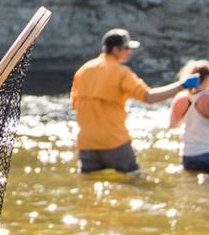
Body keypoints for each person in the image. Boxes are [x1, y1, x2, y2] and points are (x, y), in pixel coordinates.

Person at [70, 28, 193, 175]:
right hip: (115, 142)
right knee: (135, 182)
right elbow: (149, 97)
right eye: (127, 48)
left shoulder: (83, 71)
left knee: (88, 186)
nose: (129, 52)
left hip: (86, 143)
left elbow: (75, 105)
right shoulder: (121, 72)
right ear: (116, 49)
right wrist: (182, 86)